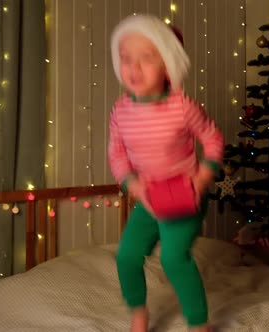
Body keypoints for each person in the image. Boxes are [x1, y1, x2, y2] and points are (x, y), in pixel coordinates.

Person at [108, 14, 223, 332]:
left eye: (146, 58)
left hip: (185, 195)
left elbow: (213, 138)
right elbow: (116, 153)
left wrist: (203, 176)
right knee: (126, 257)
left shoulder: (182, 105)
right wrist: (132, 183)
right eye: (126, 59)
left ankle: (199, 323)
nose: (134, 68)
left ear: (168, 65)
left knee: (173, 258)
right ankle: (138, 313)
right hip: (148, 196)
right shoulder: (120, 110)